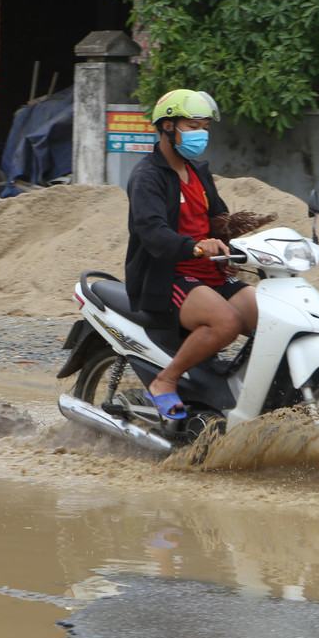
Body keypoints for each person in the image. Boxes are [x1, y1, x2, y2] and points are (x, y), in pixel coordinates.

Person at [124, 88, 258, 420]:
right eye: (193, 126)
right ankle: (165, 381)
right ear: (168, 127)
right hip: (166, 275)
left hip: (208, 272)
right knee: (226, 322)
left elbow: (217, 219)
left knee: (269, 317)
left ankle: (250, 391)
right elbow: (153, 232)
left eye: (205, 128)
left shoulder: (198, 172)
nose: (202, 134)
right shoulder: (147, 177)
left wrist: (236, 245)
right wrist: (196, 246)